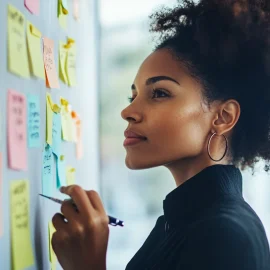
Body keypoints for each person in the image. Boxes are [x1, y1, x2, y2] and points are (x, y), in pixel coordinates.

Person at [51, 0, 270, 269]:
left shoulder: (223, 233)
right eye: (132, 96)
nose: (128, 111)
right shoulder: (181, 221)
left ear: (223, 117)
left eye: (160, 93)